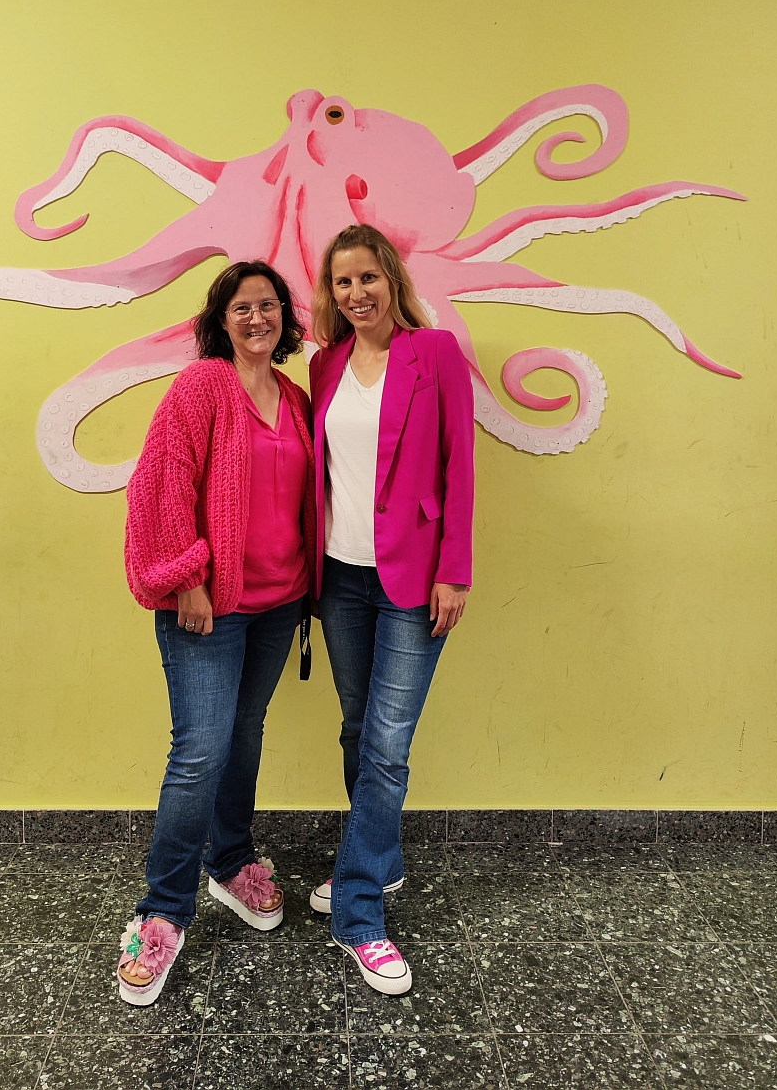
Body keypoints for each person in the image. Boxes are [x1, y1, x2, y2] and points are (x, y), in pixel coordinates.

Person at [117, 260, 315, 1006]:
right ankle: (162, 913)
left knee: (245, 734)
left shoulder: (294, 397)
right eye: (242, 308)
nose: (257, 318)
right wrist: (187, 576)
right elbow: (162, 482)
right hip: (209, 603)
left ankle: (230, 863)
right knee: (199, 751)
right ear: (221, 320)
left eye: (268, 305)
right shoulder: (203, 386)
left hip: (279, 602)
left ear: (284, 316)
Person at [308, 224, 475, 996]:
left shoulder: (435, 353)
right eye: (343, 281)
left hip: (414, 577)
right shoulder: (325, 363)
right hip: (340, 576)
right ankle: (381, 859)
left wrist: (454, 571)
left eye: (368, 277)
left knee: (385, 744)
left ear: (391, 279)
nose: (357, 293)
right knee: (356, 726)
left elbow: (459, 464)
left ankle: (359, 910)